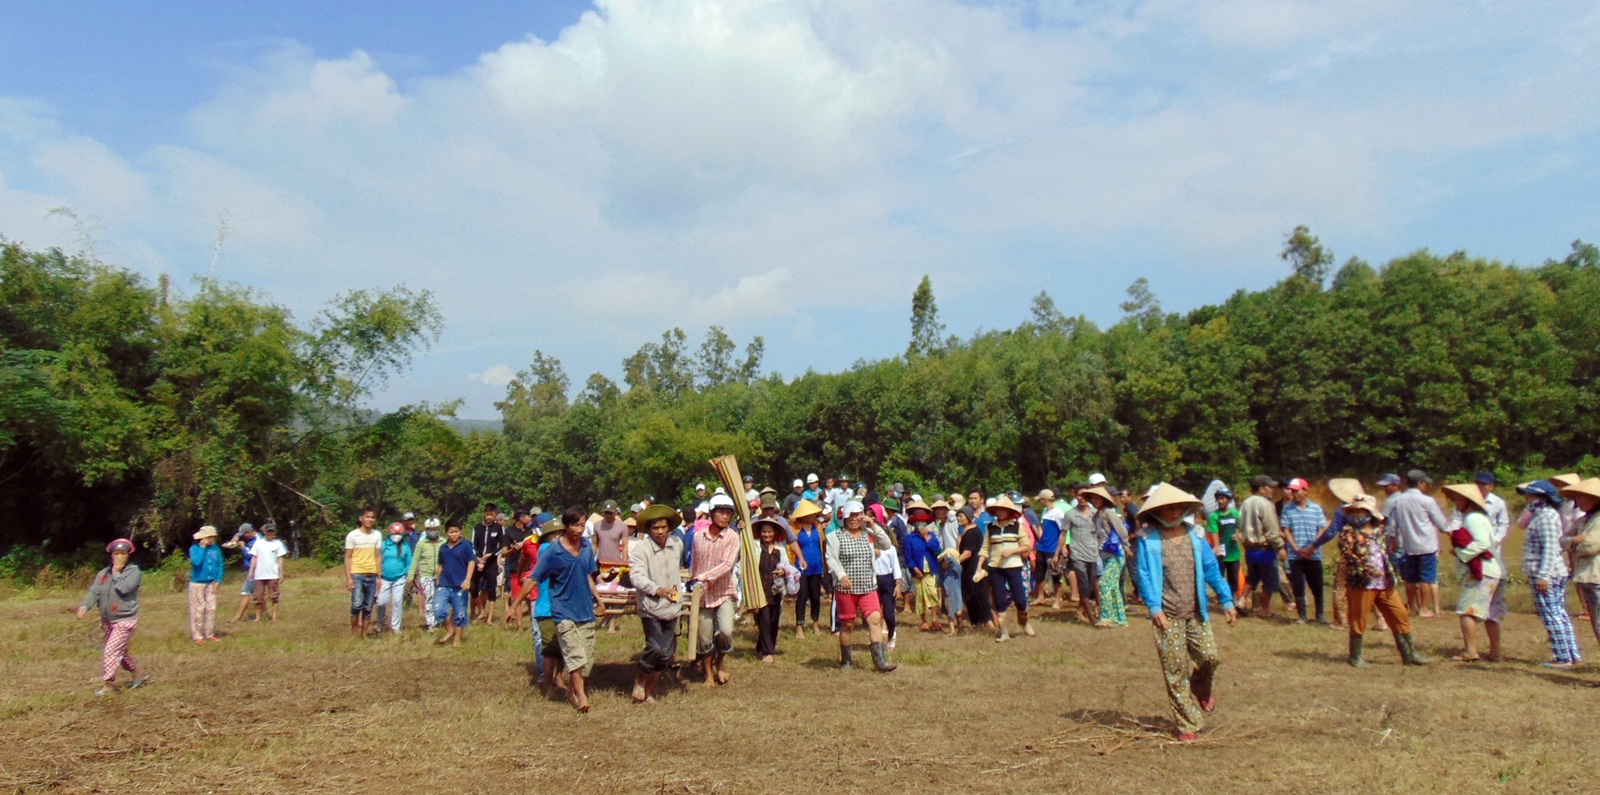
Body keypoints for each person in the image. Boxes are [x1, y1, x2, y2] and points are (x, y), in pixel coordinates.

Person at [1130, 484, 1238, 741]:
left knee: (1210, 657)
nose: (1173, 511)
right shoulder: (1148, 539)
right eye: (1168, 508)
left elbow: (1211, 570)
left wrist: (1227, 601)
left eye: (1178, 507)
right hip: (1167, 615)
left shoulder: (1196, 535)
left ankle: (1200, 687)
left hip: (1195, 612)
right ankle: (1187, 722)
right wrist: (1154, 608)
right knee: (1175, 670)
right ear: (1157, 511)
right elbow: (1144, 574)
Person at [1336, 495, 1427, 667]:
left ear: (1369, 513)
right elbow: (1349, 556)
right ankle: (1355, 656)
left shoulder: (1378, 532)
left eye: (1360, 511)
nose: (1356, 515)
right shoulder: (1348, 532)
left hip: (1385, 582)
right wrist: (1370, 570)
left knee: (1399, 614)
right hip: (1362, 582)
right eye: (1353, 512)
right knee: (1359, 618)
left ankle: (1409, 654)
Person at [530, 507, 605, 712]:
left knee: (586, 660)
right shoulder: (553, 551)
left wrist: (599, 600)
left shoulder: (586, 547)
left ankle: (573, 690)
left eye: (582, 525)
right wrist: (515, 605)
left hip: (584, 610)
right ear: (565, 525)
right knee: (574, 655)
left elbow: (589, 575)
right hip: (562, 610)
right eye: (575, 525)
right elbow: (533, 577)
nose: (579, 529)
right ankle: (581, 697)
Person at [826, 501, 897, 671]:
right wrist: (841, 574)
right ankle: (846, 661)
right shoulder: (835, 536)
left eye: (857, 515)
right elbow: (830, 558)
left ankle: (880, 662)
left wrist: (874, 524)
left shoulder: (869, 534)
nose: (854, 519)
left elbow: (887, 544)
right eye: (850, 516)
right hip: (846, 588)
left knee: (875, 619)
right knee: (848, 624)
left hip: (867, 587)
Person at [1517, 480, 1581, 669]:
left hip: (1548, 574)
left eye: (1530, 495)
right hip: (1550, 573)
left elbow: (1551, 548)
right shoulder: (1541, 515)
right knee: (1558, 614)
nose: (1526, 499)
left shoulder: (1546, 517)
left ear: (1540, 498)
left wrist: (1543, 575)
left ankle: (1563, 657)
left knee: (1552, 615)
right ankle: (1570, 654)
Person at [629, 505, 684, 703]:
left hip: (673, 607)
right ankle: (640, 679)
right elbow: (636, 577)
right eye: (655, 528)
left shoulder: (677, 543)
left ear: (669, 528)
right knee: (655, 648)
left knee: (666, 655)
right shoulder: (641, 550)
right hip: (651, 607)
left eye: (663, 527)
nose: (660, 532)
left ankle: (649, 690)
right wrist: (657, 589)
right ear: (649, 530)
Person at [77, 539, 145, 696]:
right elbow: (94, 592)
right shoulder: (103, 574)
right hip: (108, 620)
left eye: (123, 553)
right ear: (111, 555)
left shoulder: (133, 572)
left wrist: (117, 572)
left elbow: (124, 588)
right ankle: (136, 673)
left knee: (111, 650)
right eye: (116, 553)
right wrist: (85, 606)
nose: (119, 557)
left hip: (125, 619)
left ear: (129, 555)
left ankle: (108, 685)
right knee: (119, 652)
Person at [1444, 483, 1503, 662]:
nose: (1456, 502)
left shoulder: (1473, 519)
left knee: (1467, 611)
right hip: (1490, 569)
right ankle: (1494, 652)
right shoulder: (1479, 518)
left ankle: (1471, 650)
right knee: (1490, 614)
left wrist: (1461, 553)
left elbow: (1482, 543)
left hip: (1481, 570)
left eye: (1459, 499)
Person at [689, 493, 742, 686]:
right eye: (721, 512)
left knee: (726, 631)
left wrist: (702, 578)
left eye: (728, 513)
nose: (725, 517)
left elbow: (727, 564)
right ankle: (708, 674)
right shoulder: (697, 537)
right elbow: (694, 563)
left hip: (724, 591)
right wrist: (692, 580)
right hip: (702, 594)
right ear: (711, 514)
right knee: (704, 636)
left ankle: (720, 663)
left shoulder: (732, 537)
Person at [1387, 470, 1449, 618]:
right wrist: (1449, 532)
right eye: (1424, 483)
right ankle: (1424, 608)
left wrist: (1393, 541)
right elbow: (1441, 523)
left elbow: (1392, 525)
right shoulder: (1427, 501)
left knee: (1410, 579)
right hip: (1427, 545)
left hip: (1409, 545)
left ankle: (1411, 606)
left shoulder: (1398, 501)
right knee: (1426, 578)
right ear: (1420, 483)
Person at [977, 495, 1035, 641]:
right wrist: (979, 566)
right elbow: (985, 548)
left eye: (1003, 510)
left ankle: (1024, 621)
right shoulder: (991, 527)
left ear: (1009, 511)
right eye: (998, 510)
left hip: (1014, 566)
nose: (1000, 512)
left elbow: (1027, 546)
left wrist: (1013, 551)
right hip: (995, 567)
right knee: (999, 600)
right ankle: (1004, 632)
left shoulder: (1017, 526)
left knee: (1020, 599)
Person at [1279, 478, 1330, 625]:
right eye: (1292, 490)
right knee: (1298, 585)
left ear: (1305, 491)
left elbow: (1321, 529)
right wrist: (1295, 548)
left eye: (1297, 490)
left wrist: (1313, 546)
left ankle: (1320, 615)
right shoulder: (1287, 510)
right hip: (1295, 555)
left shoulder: (1316, 509)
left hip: (1313, 554)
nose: (1294, 493)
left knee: (1317, 585)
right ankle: (1302, 616)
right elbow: (1286, 530)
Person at [1559, 477, 1600, 647]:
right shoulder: (1583, 520)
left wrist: (1574, 545)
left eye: (1583, 497)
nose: (1579, 500)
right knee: (1596, 623)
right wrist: (1576, 540)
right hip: (1587, 577)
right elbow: (1563, 539)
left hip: (1597, 576)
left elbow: (1591, 546)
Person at [1237, 476, 1286, 617]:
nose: (1272, 490)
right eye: (1269, 487)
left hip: (1249, 549)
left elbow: (1240, 525)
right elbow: (1271, 529)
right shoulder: (1265, 504)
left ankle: (1242, 600)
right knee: (1270, 580)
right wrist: (1280, 546)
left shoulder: (1245, 503)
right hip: (1264, 549)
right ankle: (1265, 609)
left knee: (1253, 576)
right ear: (1262, 488)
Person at [1082, 486, 1127, 628]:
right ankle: (1119, 619)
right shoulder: (1097, 515)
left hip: (1116, 553)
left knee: (1104, 583)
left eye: (1097, 498)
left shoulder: (1108, 513)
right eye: (1093, 498)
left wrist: (1126, 545)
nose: (1094, 500)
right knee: (1112, 586)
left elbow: (1121, 530)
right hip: (1104, 554)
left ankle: (1107, 617)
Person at [432, 521, 476, 647]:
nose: (454, 534)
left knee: (459, 613)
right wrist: (438, 580)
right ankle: (449, 629)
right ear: (446, 533)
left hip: (460, 585)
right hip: (444, 584)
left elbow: (471, 562)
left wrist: (467, 579)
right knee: (438, 609)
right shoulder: (443, 548)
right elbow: (440, 565)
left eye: (456, 531)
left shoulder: (466, 546)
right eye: (451, 532)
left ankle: (457, 639)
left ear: (461, 532)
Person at [902, 501, 943, 632]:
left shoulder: (932, 536)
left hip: (930, 570)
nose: (921, 525)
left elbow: (937, 550)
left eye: (923, 522)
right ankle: (923, 621)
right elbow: (908, 557)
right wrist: (914, 569)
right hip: (917, 571)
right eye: (918, 522)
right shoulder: (909, 538)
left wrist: (927, 538)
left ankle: (934, 619)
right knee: (919, 597)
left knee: (932, 594)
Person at [1064, 486, 1102, 624]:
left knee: (1091, 584)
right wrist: (1061, 549)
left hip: (1092, 553)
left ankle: (1082, 610)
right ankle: (1092, 619)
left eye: (1085, 495)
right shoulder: (1070, 514)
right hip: (1077, 553)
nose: (1081, 498)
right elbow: (1063, 534)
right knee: (1083, 584)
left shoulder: (1096, 513)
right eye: (1079, 495)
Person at [753, 517, 789, 663]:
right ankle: (768, 651)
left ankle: (762, 646)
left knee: (774, 620)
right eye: (764, 532)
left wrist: (783, 572)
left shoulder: (780, 549)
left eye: (769, 532)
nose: (766, 535)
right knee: (764, 618)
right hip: (760, 588)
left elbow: (787, 566)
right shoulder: (755, 547)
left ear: (774, 533)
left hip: (776, 589)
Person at [344, 509, 383, 637]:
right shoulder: (352, 535)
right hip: (357, 574)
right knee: (356, 605)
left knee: (368, 606)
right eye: (367, 517)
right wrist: (348, 578)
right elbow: (348, 557)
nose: (370, 520)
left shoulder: (377, 535)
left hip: (371, 574)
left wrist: (379, 576)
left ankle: (364, 634)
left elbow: (378, 556)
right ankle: (354, 634)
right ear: (361, 518)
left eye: (372, 517)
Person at [790, 500, 826, 637]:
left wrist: (824, 566)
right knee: (802, 595)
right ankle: (799, 625)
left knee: (815, 596)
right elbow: (791, 546)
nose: (814, 516)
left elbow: (822, 545)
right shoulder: (794, 528)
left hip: (816, 565)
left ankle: (815, 622)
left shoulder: (817, 527)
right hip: (801, 566)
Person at [1205, 488, 1243, 606]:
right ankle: (1222, 599)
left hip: (1234, 551)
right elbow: (1214, 532)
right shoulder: (1214, 516)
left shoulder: (1234, 513)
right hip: (1221, 551)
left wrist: (1237, 534)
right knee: (1220, 576)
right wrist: (1216, 547)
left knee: (1234, 578)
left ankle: (1234, 599)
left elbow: (1239, 527)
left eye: (1223, 498)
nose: (1220, 501)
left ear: (1228, 500)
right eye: (1218, 498)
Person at [470, 504, 507, 625]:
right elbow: (473, 544)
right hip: (479, 560)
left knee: (491, 588)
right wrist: (478, 557)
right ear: (484, 514)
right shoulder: (477, 527)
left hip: (491, 562)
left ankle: (490, 618)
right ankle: (481, 611)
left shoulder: (498, 528)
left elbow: (502, 545)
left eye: (491, 515)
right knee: (473, 587)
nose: (489, 517)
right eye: (487, 514)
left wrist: (491, 554)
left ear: (495, 515)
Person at [186, 526, 224, 644]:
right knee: (198, 608)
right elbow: (196, 562)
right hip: (197, 582)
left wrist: (218, 579)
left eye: (212, 537)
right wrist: (202, 548)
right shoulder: (194, 548)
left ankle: (209, 633)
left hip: (211, 582)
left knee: (211, 608)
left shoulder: (215, 549)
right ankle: (197, 635)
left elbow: (220, 564)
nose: (211, 539)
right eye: (209, 537)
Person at [247, 523, 290, 623]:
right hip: (259, 574)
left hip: (273, 574)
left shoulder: (277, 544)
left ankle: (274, 615)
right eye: (268, 531)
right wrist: (250, 571)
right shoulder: (258, 543)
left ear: (275, 532)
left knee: (274, 596)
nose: (270, 533)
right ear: (264, 532)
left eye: (272, 531)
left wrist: (281, 573)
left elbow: (280, 559)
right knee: (258, 596)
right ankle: (258, 617)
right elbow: (254, 557)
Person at [374, 522, 412, 635]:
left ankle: (395, 627)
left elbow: (408, 562)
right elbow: (378, 559)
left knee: (397, 602)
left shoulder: (405, 546)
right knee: (381, 601)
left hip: (399, 578)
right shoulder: (383, 545)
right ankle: (379, 623)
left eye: (399, 534)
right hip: (384, 578)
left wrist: (408, 575)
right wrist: (378, 575)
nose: (396, 536)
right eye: (394, 533)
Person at [932, 499, 964, 634]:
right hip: (945, 560)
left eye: (941, 509)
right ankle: (955, 624)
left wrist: (955, 557)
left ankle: (959, 622)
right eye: (936, 509)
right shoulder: (941, 524)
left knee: (954, 591)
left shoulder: (953, 520)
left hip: (954, 559)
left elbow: (959, 538)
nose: (939, 511)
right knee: (948, 592)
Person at [1031, 489, 1066, 609]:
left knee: (1055, 574)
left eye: (1040, 500)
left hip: (1052, 548)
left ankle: (1057, 600)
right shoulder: (1045, 511)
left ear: (1044, 500)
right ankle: (1040, 597)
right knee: (1039, 574)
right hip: (1042, 546)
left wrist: (1062, 548)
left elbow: (1063, 531)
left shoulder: (1058, 513)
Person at [409, 518, 445, 632]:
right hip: (426, 575)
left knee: (440, 599)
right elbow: (415, 559)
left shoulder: (443, 542)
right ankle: (431, 624)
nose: (432, 531)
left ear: (439, 529)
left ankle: (441, 620)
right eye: (430, 529)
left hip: (441, 576)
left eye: (435, 529)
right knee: (429, 599)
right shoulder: (421, 543)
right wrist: (410, 576)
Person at [873, 532, 903, 649]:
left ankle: (892, 633)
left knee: (889, 613)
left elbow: (895, 566)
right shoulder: (870, 547)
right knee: (874, 612)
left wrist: (898, 584)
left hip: (887, 580)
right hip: (874, 580)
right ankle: (876, 638)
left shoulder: (890, 549)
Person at [223, 523, 258, 622]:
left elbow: (251, 556)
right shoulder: (252, 537)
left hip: (253, 570)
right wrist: (234, 540)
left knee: (245, 593)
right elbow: (238, 535)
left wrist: (243, 547)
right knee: (257, 595)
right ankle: (265, 615)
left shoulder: (257, 541)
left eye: (244, 534)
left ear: (249, 532)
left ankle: (237, 617)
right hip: (249, 569)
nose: (243, 536)